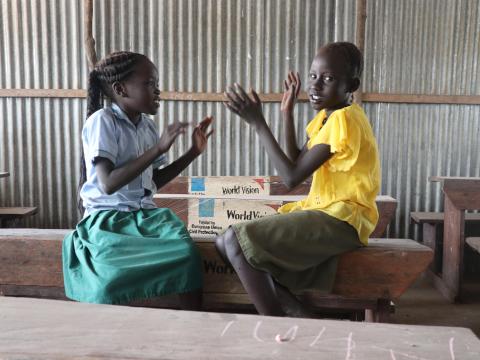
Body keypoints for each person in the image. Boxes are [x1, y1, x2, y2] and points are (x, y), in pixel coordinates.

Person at [216, 42, 380, 317]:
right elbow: (295, 163)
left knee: (235, 240)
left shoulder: (345, 119)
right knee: (223, 243)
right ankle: (298, 312)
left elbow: (290, 177)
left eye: (328, 79)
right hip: (328, 213)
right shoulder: (326, 119)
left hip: (344, 218)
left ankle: (276, 323)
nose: (315, 86)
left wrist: (259, 123)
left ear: (351, 85)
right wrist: (286, 114)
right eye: (313, 76)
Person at [63, 51, 213, 309]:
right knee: (107, 279)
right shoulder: (103, 121)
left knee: (187, 255)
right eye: (150, 83)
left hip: (144, 216)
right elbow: (108, 183)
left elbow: (152, 180)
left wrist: (191, 153)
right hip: (107, 218)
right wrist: (158, 150)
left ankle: (196, 324)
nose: (158, 91)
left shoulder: (147, 126)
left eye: (157, 83)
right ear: (121, 89)